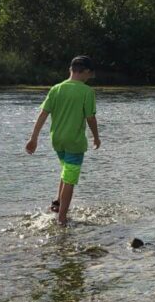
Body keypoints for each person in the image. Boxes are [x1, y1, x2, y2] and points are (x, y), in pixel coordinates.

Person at [25, 56, 100, 225]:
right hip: (74, 141)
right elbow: (90, 118)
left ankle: (57, 204)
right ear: (86, 71)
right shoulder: (87, 92)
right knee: (70, 179)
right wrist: (96, 137)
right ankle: (62, 218)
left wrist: (33, 138)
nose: (90, 77)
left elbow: (43, 114)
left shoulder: (56, 89)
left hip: (57, 140)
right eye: (90, 74)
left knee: (66, 172)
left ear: (71, 69)